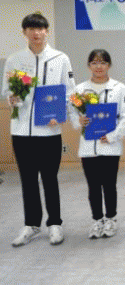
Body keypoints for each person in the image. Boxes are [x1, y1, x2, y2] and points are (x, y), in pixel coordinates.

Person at [1, 13, 75, 247]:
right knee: (28, 179)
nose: (36, 33)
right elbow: (6, 91)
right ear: (24, 33)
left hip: (49, 132)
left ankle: (55, 223)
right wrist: (11, 99)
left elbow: (69, 92)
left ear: (47, 31)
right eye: (31, 29)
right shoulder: (14, 60)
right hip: (21, 130)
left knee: (50, 178)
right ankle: (31, 224)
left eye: (40, 28)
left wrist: (59, 114)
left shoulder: (60, 58)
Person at [70, 49, 125, 239]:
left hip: (110, 146)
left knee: (109, 184)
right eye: (95, 62)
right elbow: (72, 113)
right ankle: (97, 220)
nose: (99, 66)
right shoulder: (80, 90)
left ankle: (111, 219)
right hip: (88, 146)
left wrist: (112, 136)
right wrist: (78, 121)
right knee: (93, 186)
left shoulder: (119, 88)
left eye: (103, 62)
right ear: (89, 65)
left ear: (109, 65)